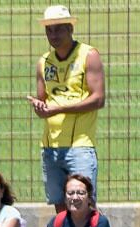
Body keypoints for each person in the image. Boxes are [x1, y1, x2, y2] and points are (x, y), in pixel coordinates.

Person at [27, 5, 105, 212]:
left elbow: (98, 99)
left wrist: (58, 110)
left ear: (70, 28)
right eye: (49, 30)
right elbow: (44, 100)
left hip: (80, 146)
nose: (53, 34)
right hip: (50, 147)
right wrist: (39, 107)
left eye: (59, 28)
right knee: (61, 209)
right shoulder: (44, 62)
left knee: (85, 207)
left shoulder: (88, 55)